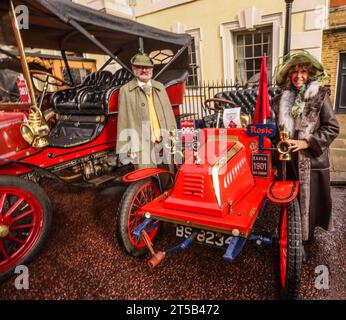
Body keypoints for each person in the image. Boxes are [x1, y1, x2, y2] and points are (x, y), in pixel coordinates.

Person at [272, 51, 339, 262]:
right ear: (288, 75)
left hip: (311, 162)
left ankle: (302, 242)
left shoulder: (319, 95)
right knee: (290, 202)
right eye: (294, 71)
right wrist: (275, 159)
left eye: (303, 71)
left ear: (309, 73)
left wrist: (306, 142)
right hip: (287, 162)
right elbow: (275, 133)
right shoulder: (279, 100)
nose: (298, 75)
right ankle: (290, 234)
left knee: (307, 203)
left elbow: (332, 127)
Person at [116, 51, 177, 175]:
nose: (144, 70)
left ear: (152, 69)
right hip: (141, 145)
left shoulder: (160, 87)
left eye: (147, 67)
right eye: (139, 67)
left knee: (168, 175)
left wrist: (175, 139)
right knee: (146, 178)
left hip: (163, 141)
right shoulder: (125, 91)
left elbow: (169, 115)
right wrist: (126, 147)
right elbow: (123, 120)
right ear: (133, 69)